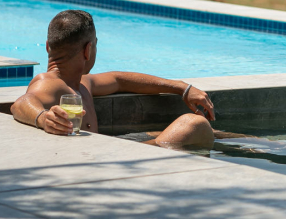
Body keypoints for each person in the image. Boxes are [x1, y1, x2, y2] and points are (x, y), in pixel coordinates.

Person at [11, 9, 216, 148]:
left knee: (159, 131)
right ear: (88, 49)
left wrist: (183, 88)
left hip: (102, 154)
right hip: (103, 163)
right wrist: (43, 118)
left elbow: (119, 79)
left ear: (48, 46)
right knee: (193, 124)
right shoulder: (48, 83)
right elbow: (22, 102)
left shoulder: (80, 82)